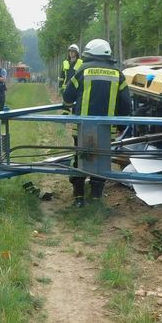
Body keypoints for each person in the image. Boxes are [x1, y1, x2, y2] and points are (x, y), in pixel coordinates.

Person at [62, 38, 131, 207]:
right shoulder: (117, 73)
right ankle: (96, 198)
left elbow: (67, 97)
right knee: (102, 159)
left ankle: (78, 197)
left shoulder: (82, 70)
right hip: (107, 129)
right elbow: (126, 105)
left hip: (83, 127)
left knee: (80, 157)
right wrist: (121, 126)